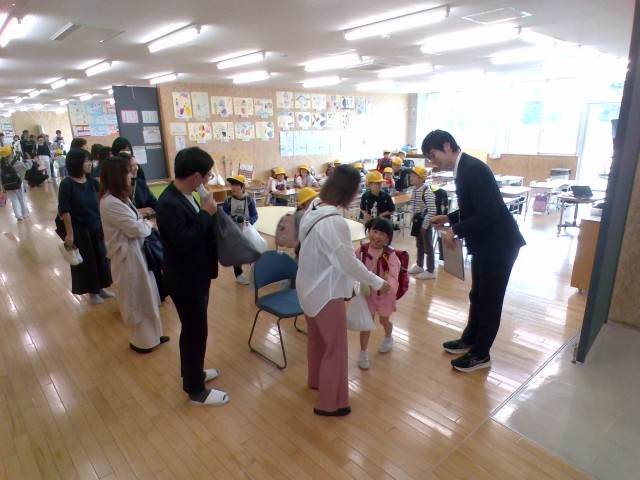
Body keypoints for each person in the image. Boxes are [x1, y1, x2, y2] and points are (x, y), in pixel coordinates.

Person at [425, 129, 526, 372]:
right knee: (477, 295)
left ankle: (481, 354)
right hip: (485, 244)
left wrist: (456, 229)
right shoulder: (463, 169)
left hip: (499, 245)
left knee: (489, 300)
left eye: (432, 155)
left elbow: (488, 214)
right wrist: (449, 218)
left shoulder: (472, 169)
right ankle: (470, 340)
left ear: (447, 146)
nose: (432, 161)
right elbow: (475, 208)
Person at [297, 165, 390, 417]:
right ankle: (331, 403)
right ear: (348, 191)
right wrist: (378, 282)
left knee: (317, 340)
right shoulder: (335, 222)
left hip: (306, 286)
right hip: (325, 292)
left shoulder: (313, 206)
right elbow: (349, 263)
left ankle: (316, 381)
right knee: (335, 348)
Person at [156, 146, 228, 406]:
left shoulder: (185, 194)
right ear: (196, 176)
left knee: (195, 331)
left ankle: (194, 374)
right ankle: (195, 391)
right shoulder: (169, 203)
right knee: (195, 332)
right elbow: (184, 241)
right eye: (207, 176)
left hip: (195, 275)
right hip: (185, 280)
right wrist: (205, 213)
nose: (208, 181)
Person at [99, 156, 168, 353]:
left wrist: (143, 223)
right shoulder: (109, 202)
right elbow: (136, 228)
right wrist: (147, 224)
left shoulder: (121, 197)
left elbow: (137, 221)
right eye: (128, 171)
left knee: (149, 294)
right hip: (127, 256)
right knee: (136, 299)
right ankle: (142, 342)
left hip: (138, 252)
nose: (132, 175)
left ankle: (154, 335)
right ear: (117, 176)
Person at [58, 148, 114, 305]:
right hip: (80, 230)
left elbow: (102, 203)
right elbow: (65, 211)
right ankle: (92, 292)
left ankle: (101, 287)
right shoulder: (66, 184)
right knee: (87, 263)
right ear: (76, 163)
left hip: (96, 226)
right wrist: (70, 233)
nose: (90, 164)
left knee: (101, 258)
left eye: (90, 161)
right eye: (86, 161)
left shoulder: (92, 183)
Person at [354, 217, 400, 370]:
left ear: (388, 238)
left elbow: (394, 275)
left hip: (385, 295)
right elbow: (351, 265)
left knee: (384, 320)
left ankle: (388, 337)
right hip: (367, 294)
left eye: (382, 234)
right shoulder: (361, 250)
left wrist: (387, 287)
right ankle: (363, 353)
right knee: (366, 324)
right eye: (374, 231)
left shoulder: (390, 254)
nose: (377, 236)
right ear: (369, 231)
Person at [121, 152, 167, 301]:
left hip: (147, 231)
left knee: (154, 263)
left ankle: (159, 295)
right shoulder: (118, 191)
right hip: (131, 238)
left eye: (136, 165)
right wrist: (140, 211)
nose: (135, 168)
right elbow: (125, 213)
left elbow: (155, 205)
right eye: (131, 166)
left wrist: (144, 212)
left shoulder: (140, 184)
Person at [222, 174, 258, 285]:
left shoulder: (249, 200)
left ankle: (255, 272)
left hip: (247, 231)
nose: (233, 188)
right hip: (234, 232)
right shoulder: (228, 201)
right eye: (232, 185)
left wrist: (249, 221)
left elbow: (255, 216)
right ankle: (238, 275)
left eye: (236, 185)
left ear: (243, 187)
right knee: (236, 253)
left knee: (251, 251)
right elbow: (223, 217)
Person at [407, 165, 437, 280]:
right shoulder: (415, 190)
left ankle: (430, 270)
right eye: (411, 175)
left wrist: (424, 226)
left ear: (421, 178)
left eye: (414, 176)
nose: (411, 177)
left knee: (427, 246)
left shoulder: (427, 192)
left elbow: (432, 210)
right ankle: (420, 265)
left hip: (425, 224)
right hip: (417, 222)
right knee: (419, 244)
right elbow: (413, 205)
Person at [0, 147, 29, 220]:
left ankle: (18, 215)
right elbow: (26, 166)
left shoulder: (1, 164)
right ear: (10, 154)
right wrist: (30, 161)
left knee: (13, 200)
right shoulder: (15, 162)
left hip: (6, 184)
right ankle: (25, 214)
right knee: (21, 199)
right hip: (17, 183)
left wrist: (2, 186)